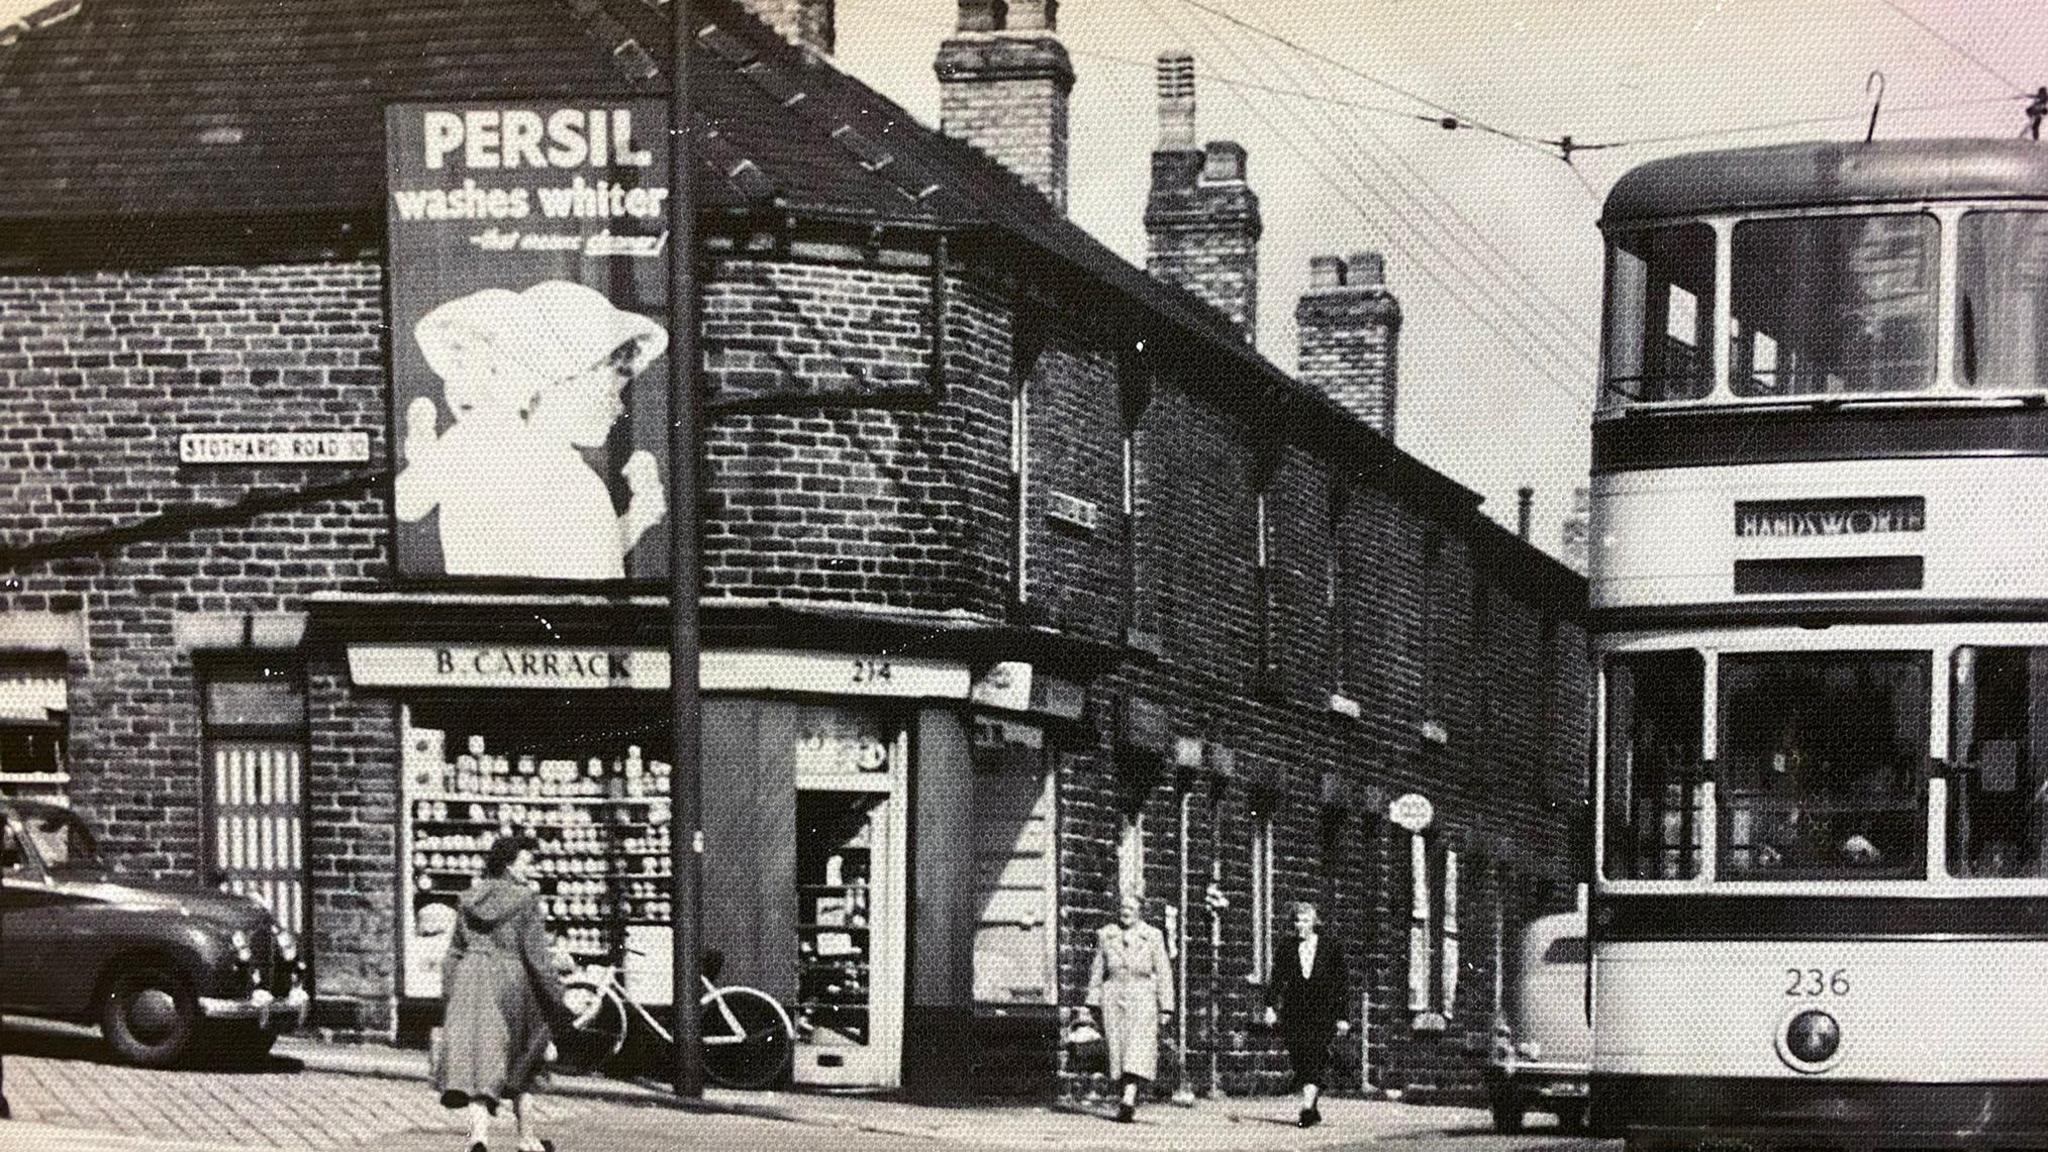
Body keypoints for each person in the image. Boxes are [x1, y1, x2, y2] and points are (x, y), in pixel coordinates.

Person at [436, 833, 568, 1152]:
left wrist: (450, 992)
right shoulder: (525, 900)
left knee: (480, 1059)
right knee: (522, 1057)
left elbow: (454, 951)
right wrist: (557, 996)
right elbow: (536, 958)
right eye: (527, 861)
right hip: (511, 980)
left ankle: (478, 1138)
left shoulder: (470, 898)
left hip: (470, 977)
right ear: (509, 864)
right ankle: (526, 1139)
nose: (530, 869)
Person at [1086, 892, 1174, 1124]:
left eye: (1131, 908)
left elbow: (1163, 971)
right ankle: (1126, 1094)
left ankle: (1129, 1097)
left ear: (1140, 911)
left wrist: (1166, 1006)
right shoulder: (1106, 935)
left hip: (1143, 995)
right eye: (1122, 908)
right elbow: (1098, 970)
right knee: (1119, 1050)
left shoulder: (1153, 936)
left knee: (1138, 1047)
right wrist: (1092, 1001)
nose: (1126, 912)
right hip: (1113, 995)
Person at [1264, 900, 1350, 1128]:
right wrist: (1270, 1006)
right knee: (1300, 1056)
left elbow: (1341, 984)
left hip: (1323, 1012)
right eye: (1296, 921)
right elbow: (1277, 978)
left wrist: (1343, 1016)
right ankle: (1312, 1106)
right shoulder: (1286, 947)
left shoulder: (1330, 947)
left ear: (1314, 922)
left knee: (1315, 1055)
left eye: (1304, 920)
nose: (1300, 925)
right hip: (1294, 1012)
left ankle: (1306, 1108)